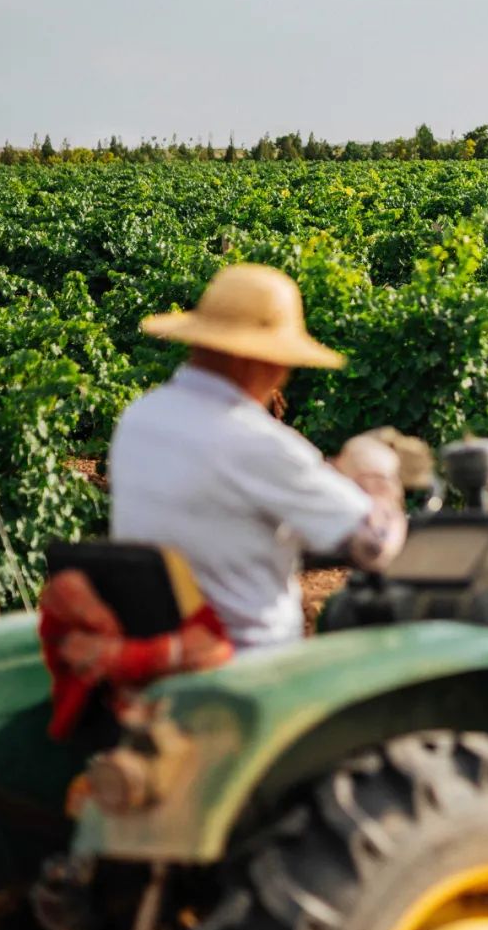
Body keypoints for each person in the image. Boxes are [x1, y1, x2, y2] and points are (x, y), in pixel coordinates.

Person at [107, 262, 406, 652]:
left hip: (157, 653)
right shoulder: (259, 444)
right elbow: (374, 543)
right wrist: (375, 477)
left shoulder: (140, 417)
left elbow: (224, 506)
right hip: (250, 669)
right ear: (262, 360)